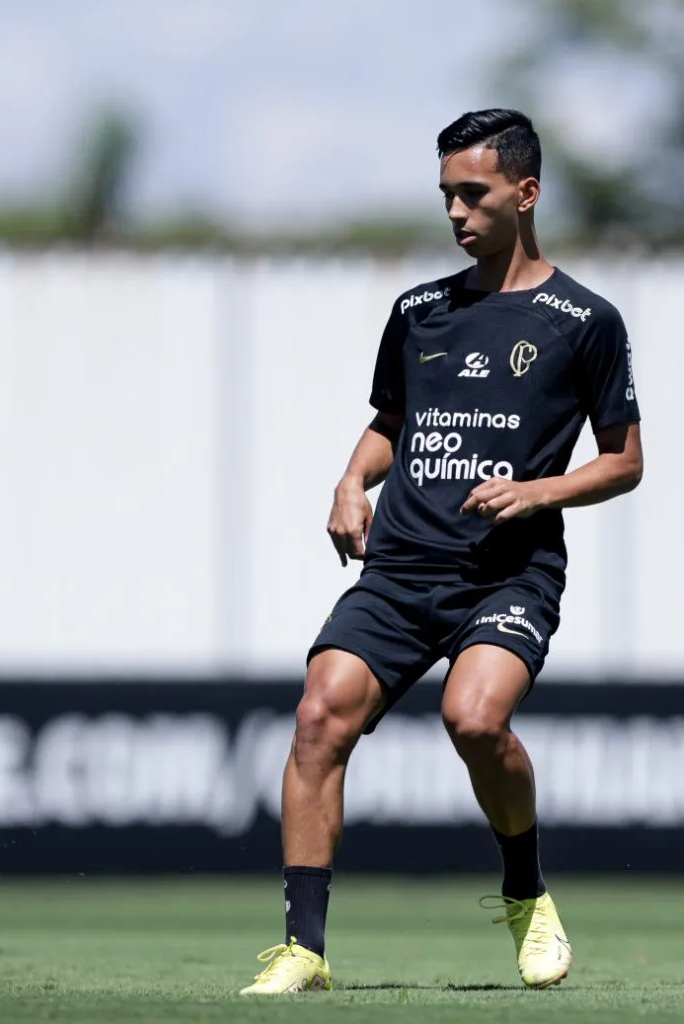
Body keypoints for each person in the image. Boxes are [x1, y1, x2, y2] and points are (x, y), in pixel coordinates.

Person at [240, 108, 643, 996]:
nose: (456, 212)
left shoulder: (585, 319)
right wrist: (352, 484)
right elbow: (391, 424)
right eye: (446, 196)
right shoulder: (419, 310)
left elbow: (625, 462)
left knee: (473, 718)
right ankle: (303, 951)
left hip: (509, 571)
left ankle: (525, 895)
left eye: (473, 193)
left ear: (525, 193)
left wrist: (536, 491)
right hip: (402, 568)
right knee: (318, 716)